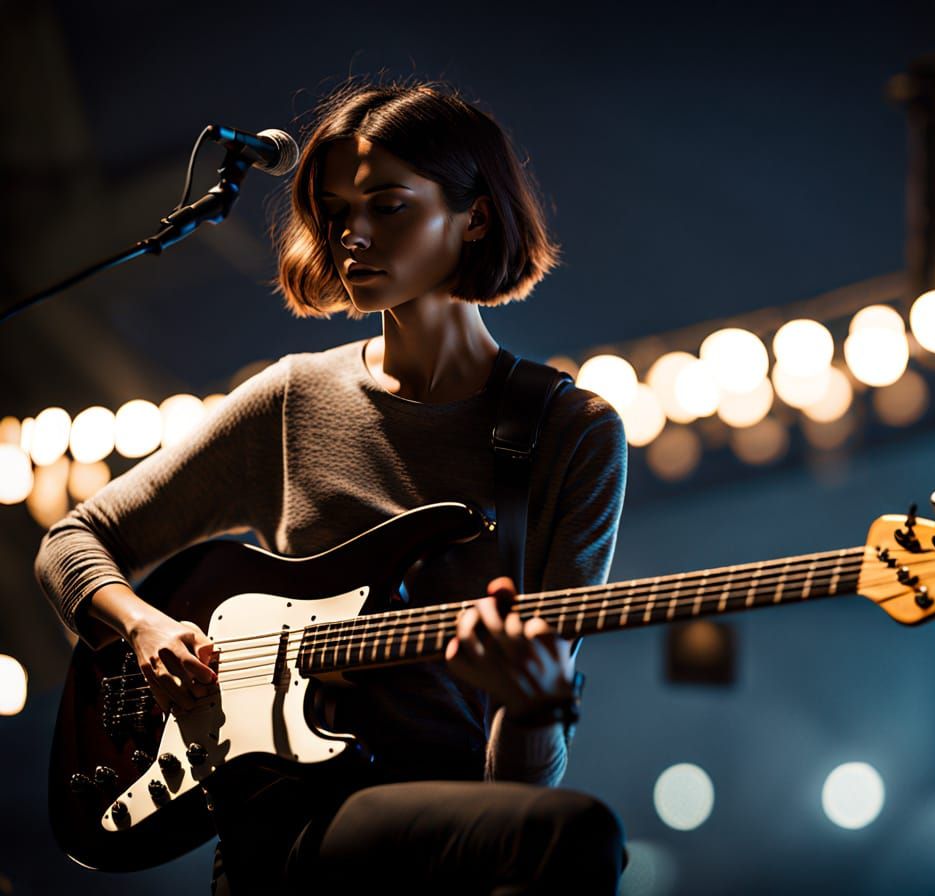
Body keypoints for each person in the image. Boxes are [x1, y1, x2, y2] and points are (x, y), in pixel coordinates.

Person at [35, 77, 628, 894]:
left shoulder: (574, 432)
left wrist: (533, 706)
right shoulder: (291, 397)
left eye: (388, 205)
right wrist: (142, 626)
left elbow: (522, 794)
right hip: (288, 818)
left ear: (476, 216)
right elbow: (73, 541)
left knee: (569, 837)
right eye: (335, 209)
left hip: (453, 818)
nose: (352, 235)